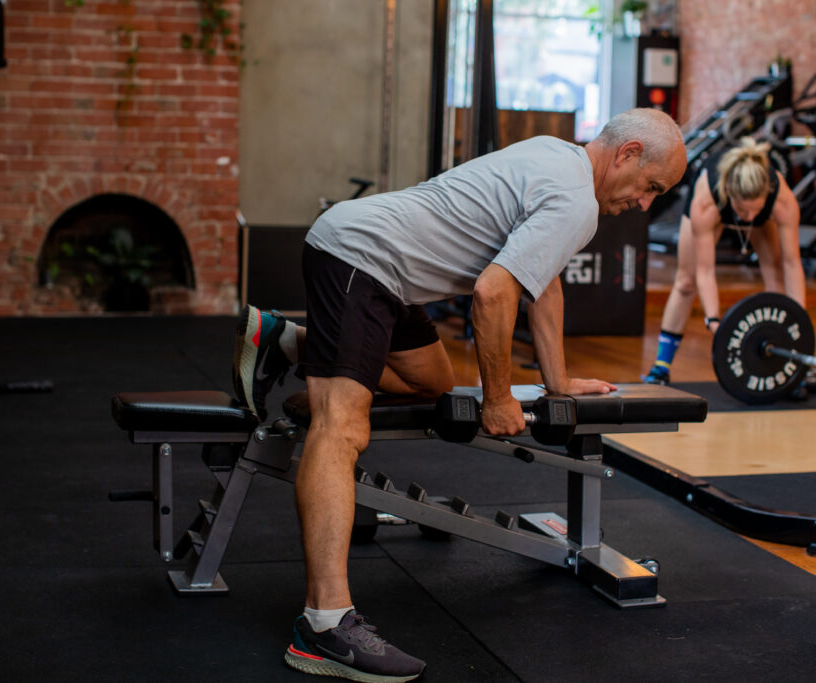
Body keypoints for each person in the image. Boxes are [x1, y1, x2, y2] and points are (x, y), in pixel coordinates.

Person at [233, 108, 686, 683]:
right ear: (627, 154)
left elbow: (544, 283)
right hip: (362, 257)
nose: (644, 204)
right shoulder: (576, 200)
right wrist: (499, 398)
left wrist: (557, 383)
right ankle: (324, 626)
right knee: (342, 427)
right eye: (651, 187)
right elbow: (494, 293)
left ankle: (285, 342)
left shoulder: (558, 157)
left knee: (433, 383)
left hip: (384, 268)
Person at [643, 137, 805, 386]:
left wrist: (799, 324)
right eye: (743, 211)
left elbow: (792, 264)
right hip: (712, 204)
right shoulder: (706, 202)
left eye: (756, 210)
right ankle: (661, 367)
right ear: (729, 192)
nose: (749, 218)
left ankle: (786, 361)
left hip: (756, 205)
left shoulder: (782, 200)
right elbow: (706, 271)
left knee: (775, 272)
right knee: (686, 282)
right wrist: (713, 320)